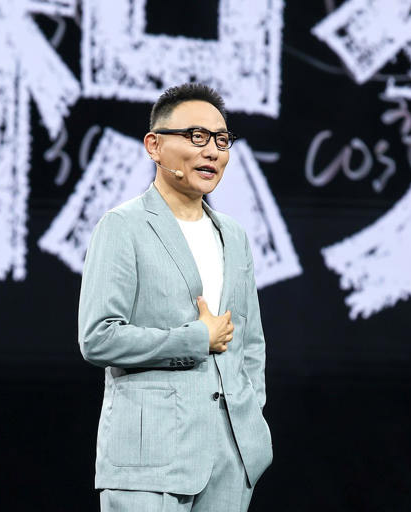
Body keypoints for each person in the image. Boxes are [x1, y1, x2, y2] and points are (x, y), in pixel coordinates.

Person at [78, 83, 272, 511]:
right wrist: (195, 339)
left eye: (221, 140)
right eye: (196, 136)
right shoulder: (122, 226)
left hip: (231, 456)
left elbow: (249, 342)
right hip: (150, 456)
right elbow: (98, 338)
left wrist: (250, 413)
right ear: (154, 145)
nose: (212, 151)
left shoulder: (233, 235)